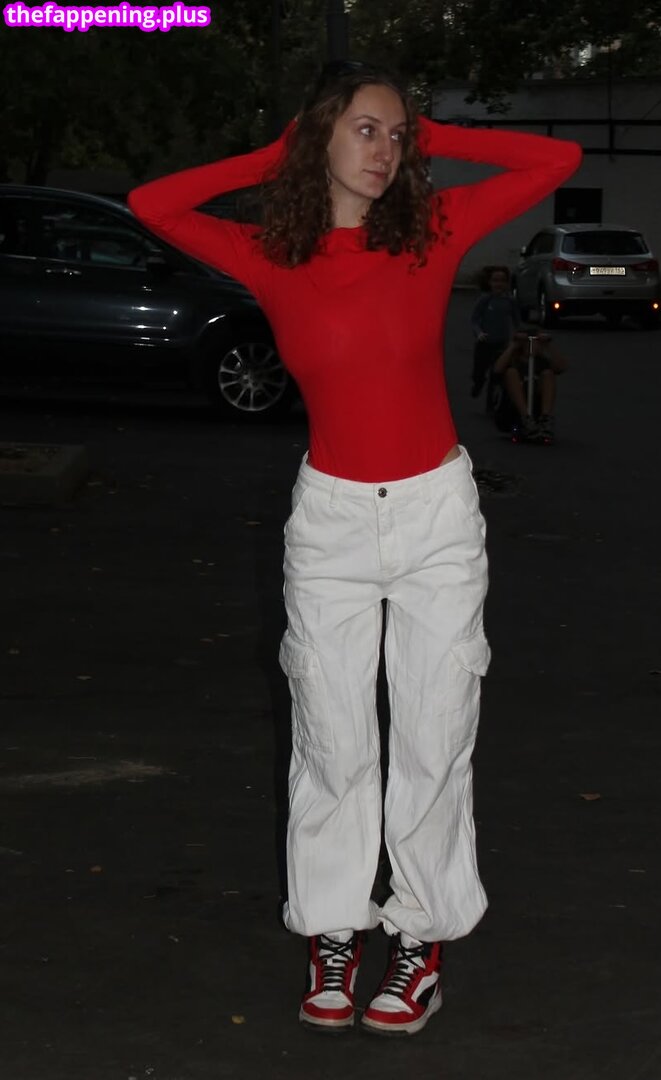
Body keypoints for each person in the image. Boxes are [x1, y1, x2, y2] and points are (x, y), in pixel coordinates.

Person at [128, 60, 581, 1036]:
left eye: (396, 135)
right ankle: (333, 928)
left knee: (432, 735)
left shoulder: (430, 229)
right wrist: (271, 152)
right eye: (365, 130)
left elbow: (557, 159)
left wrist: (431, 134)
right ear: (319, 135)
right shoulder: (270, 254)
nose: (384, 151)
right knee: (333, 740)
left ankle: (419, 940)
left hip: (433, 519)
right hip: (331, 523)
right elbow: (150, 203)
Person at [493, 330, 569, 442]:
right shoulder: (512, 360)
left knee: (548, 374)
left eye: (536, 343)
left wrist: (548, 345)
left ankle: (545, 419)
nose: (533, 346)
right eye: (529, 342)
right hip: (511, 412)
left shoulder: (542, 362)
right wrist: (514, 345)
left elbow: (562, 367)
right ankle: (526, 418)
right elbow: (497, 369)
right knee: (511, 373)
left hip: (536, 409)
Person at [470, 265, 520, 409]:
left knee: (496, 373)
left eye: (502, 281)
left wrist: (518, 334)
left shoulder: (510, 301)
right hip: (484, 343)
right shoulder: (485, 300)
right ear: (489, 282)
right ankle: (478, 383)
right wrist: (479, 333)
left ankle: (491, 402)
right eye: (495, 281)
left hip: (501, 344)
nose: (499, 284)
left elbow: (516, 320)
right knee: (479, 372)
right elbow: (474, 319)